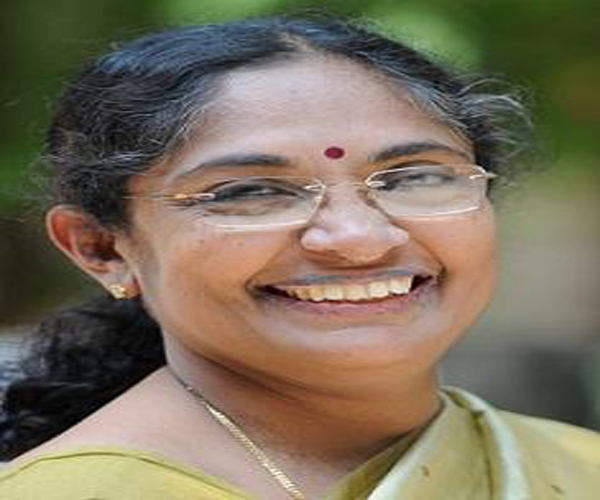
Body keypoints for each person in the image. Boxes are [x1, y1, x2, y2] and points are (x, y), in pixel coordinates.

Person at [0, 15, 598, 500]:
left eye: (413, 177)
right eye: (250, 191)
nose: (359, 238)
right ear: (102, 248)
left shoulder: (580, 467)